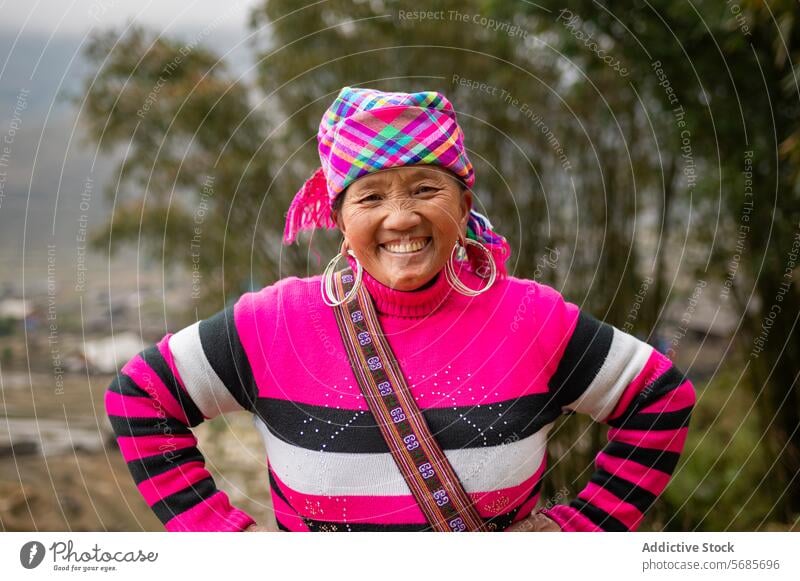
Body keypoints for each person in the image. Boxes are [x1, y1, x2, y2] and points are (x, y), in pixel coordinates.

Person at [105, 86, 696, 532]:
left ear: (464, 205)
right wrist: (227, 545)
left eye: (424, 188)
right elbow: (139, 398)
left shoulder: (531, 319)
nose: (401, 217)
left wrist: (577, 534)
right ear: (340, 219)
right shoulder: (271, 323)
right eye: (370, 197)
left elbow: (660, 397)